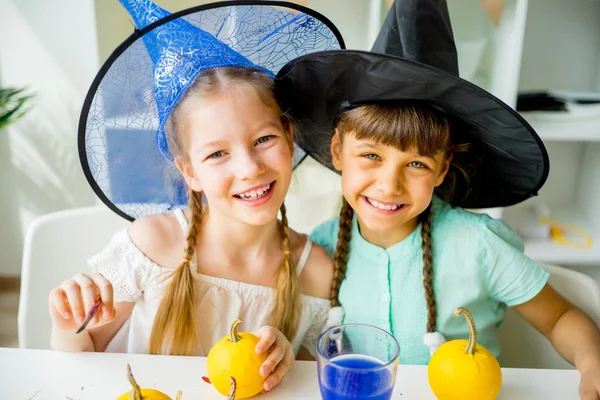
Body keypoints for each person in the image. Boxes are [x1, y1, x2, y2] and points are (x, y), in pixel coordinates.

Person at [274, 0, 600, 397]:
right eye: (371, 156)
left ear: (443, 169)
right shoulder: (323, 248)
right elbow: (312, 351)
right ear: (339, 150)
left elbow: (561, 316)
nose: (389, 185)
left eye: (416, 165)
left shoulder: (479, 244)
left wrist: (591, 362)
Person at [48, 0, 343, 393]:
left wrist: (289, 360)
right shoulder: (152, 246)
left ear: (290, 137)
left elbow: (308, 387)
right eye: (217, 153)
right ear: (189, 170)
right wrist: (68, 328)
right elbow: (84, 365)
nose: (249, 168)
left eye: (264, 139)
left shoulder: (315, 272)